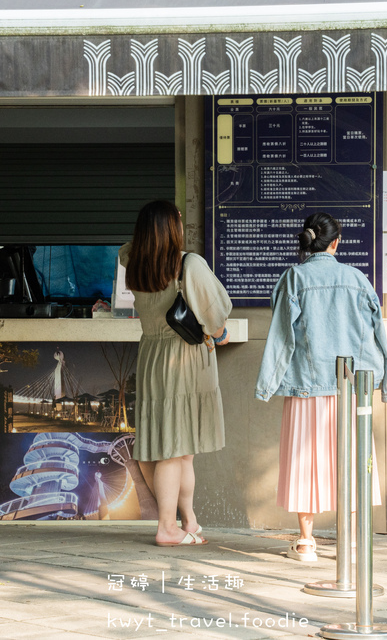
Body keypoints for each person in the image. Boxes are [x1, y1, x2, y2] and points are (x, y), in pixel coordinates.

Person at [255, 212, 387, 561]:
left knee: (306, 462)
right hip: (351, 386)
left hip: (307, 384)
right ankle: (349, 540)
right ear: (336, 242)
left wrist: (267, 385)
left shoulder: (294, 278)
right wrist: (384, 379)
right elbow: (378, 334)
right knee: (352, 457)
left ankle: (306, 542)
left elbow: (281, 338)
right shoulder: (357, 279)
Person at [118, 200, 232, 547]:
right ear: (172, 228)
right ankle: (167, 527)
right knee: (175, 449)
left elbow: (127, 248)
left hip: (153, 355)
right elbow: (217, 318)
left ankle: (189, 520)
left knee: (181, 449)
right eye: (178, 219)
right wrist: (219, 334)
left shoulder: (135, 263)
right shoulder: (189, 264)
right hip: (185, 357)